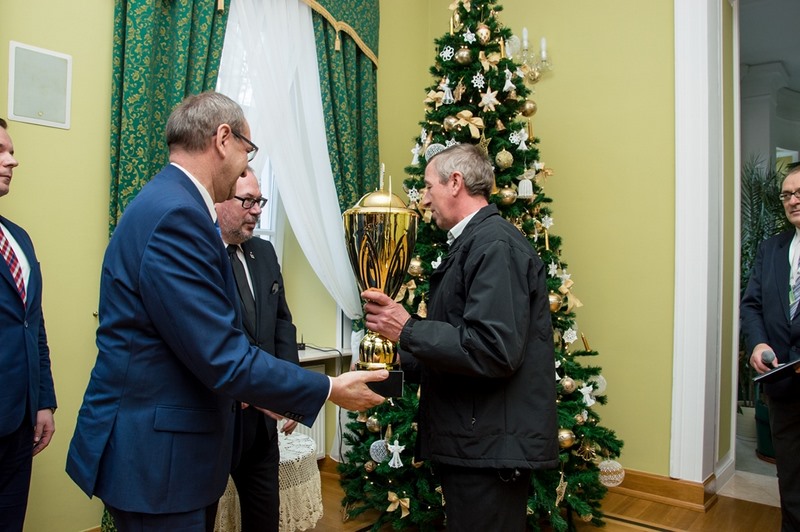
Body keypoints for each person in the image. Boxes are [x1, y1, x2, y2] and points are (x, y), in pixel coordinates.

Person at [66, 91, 387, 531]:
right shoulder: (178, 216)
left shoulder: (167, 201)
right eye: (247, 151)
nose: (245, 166)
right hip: (158, 460)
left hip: (164, 451)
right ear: (222, 139)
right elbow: (223, 356)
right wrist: (328, 387)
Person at [361, 143, 558, 531]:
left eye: (427, 186)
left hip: (488, 445)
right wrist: (400, 357)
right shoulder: (477, 242)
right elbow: (459, 341)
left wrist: (408, 329)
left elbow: (493, 349)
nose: (424, 199)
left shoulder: (494, 245)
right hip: (477, 439)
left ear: (455, 182)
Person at [215, 167, 296, 531]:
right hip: (218, 418)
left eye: (259, 201)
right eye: (247, 201)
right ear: (218, 201)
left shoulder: (263, 252)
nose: (258, 210)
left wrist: (290, 389)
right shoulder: (198, 255)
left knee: (264, 520)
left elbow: (281, 324)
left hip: (262, 425)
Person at [0, 118, 57, 531]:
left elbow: (32, 325)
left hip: (19, 425)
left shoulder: (18, 238)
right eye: (1, 152)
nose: (12, 161)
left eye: (12, 151)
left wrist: (43, 401)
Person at [741, 163, 800, 531]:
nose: (793, 200)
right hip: (782, 385)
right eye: (787, 194)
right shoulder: (771, 249)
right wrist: (758, 342)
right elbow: (752, 305)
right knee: (790, 476)